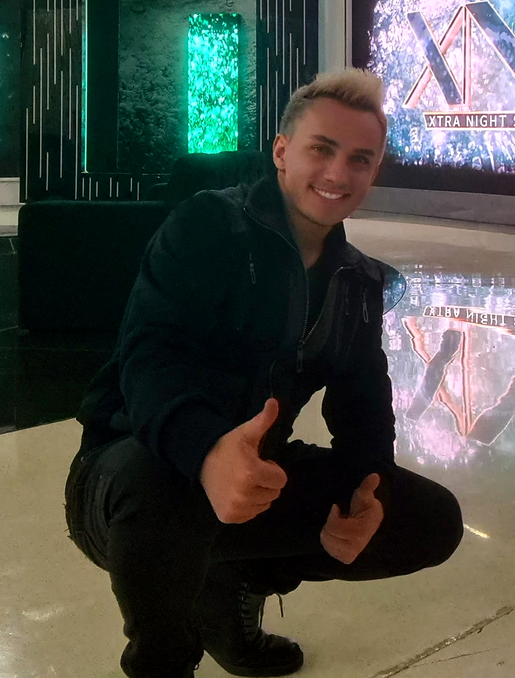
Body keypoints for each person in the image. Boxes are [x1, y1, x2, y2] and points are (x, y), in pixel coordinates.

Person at [64, 69, 463, 678]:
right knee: (160, 482)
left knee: (427, 519)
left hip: (255, 481)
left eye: (359, 159)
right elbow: (149, 357)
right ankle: (162, 659)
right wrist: (207, 452)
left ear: (374, 170)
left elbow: (363, 400)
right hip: (127, 477)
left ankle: (231, 585)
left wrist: (369, 489)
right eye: (321, 149)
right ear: (281, 151)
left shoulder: (357, 281)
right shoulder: (208, 226)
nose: (338, 174)